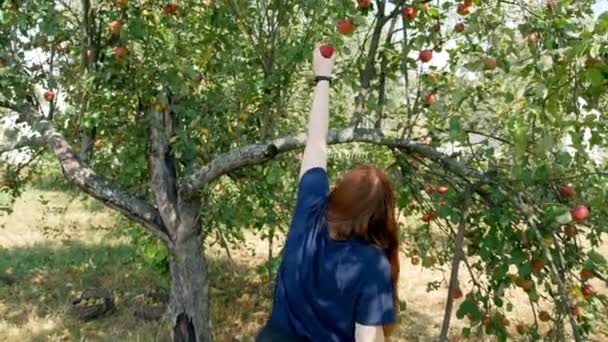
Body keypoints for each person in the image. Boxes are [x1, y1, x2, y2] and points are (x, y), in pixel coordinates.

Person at [256, 45, 400, 342]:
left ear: (340, 194)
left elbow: (316, 142)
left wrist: (323, 77)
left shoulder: (311, 212)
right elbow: (367, 339)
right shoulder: (372, 266)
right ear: (381, 217)